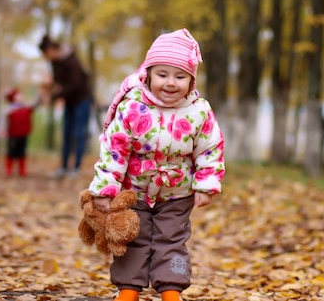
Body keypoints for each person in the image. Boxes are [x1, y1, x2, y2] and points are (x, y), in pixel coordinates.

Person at [87, 28, 225, 301]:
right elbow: (114, 149)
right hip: (135, 189)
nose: (171, 83)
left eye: (180, 76)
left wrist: (206, 184)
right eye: (163, 75)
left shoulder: (199, 111)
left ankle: (171, 290)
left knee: (171, 241)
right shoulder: (133, 106)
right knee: (133, 238)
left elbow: (210, 148)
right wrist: (106, 187)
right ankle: (128, 289)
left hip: (177, 193)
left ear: (191, 80)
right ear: (148, 75)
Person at [39, 34, 94, 179]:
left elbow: (73, 85)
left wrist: (53, 97)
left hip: (82, 99)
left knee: (78, 134)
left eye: (46, 54)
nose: (47, 58)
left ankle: (75, 168)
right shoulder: (55, 62)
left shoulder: (72, 61)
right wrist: (48, 88)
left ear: (51, 49)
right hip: (69, 101)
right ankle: (63, 167)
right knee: (66, 133)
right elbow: (59, 82)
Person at [0, 87, 39, 177]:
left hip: (23, 134)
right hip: (13, 134)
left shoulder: (25, 107)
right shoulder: (9, 110)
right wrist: (2, 131)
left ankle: (22, 169)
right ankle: (9, 169)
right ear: (14, 98)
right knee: (11, 151)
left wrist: (38, 95)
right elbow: (3, 121)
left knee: (22, 152)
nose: (21, 96)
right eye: (19, 95)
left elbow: (35, 105)